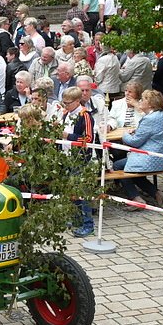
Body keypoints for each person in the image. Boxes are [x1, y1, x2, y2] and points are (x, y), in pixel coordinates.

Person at [113, 89, 163, 210]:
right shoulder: (159, 115)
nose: (140, 101)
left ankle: (135, 198)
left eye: (143, 99)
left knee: (118, 166)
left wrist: (125, 134)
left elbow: (134, 142)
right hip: (162, 157)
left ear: (150, 104)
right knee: (130, 168)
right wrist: (136, 131)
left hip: (150, 158)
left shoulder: (149, 119)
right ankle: (157, 193)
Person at [59, 86, 95, 237]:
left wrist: (67, 136)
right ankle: (76, 218)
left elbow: (88, 139)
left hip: (80, 158)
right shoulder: (66, 113)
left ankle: (88, 224)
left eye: (68, 103)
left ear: (77, 101)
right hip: (66, 156)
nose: (65, 105)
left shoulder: (85, 115)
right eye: (64, 102)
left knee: (81, 192)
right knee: (71, 191)